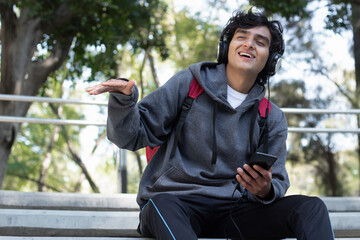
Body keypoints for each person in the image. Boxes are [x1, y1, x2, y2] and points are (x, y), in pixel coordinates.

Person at [87, 8, 334, 240]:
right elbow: (129, 137)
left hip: (237, 211)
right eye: (242, 37)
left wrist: (264, 190)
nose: (249, 44)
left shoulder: (271, 117)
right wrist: (123, 101)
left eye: (260, 42)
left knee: (310, 207)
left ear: (270, 60)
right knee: (160, 205)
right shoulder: (189, 84)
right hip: (178, 204)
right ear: (227, 47)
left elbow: (277, 181)